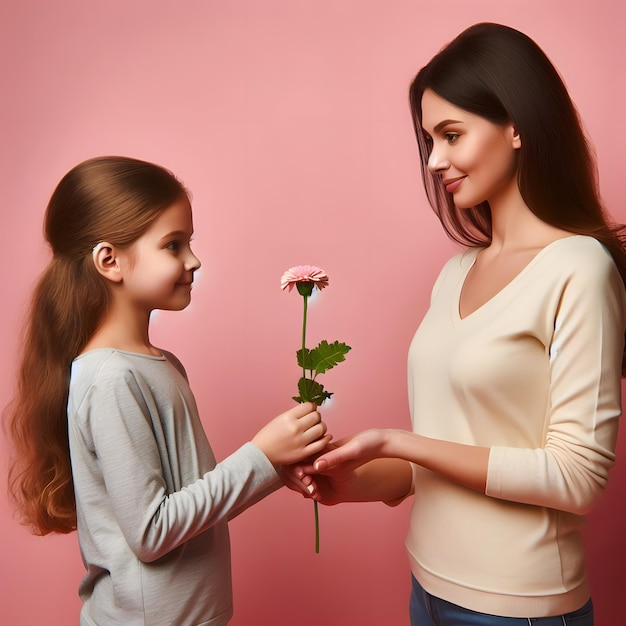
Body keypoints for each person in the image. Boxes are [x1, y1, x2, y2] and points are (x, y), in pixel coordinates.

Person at [290, 22, 626, 625]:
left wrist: (396, 440)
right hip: (428, 588)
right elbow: (443, 453)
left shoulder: (579, 268)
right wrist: (348, 479)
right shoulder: (457, 273)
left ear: (517, 125)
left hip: (518, 608)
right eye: (429, 141)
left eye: (452, 135)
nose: (436, 161)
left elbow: (577, 476)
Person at [5, 155, 332, 626]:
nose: (193, 260)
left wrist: (274, 468)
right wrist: (259, 455)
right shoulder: (112, 378)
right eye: (173, 245)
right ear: (109, 261)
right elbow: (152, 531)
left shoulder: (158, 365)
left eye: (189, 242)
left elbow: (187, 499)